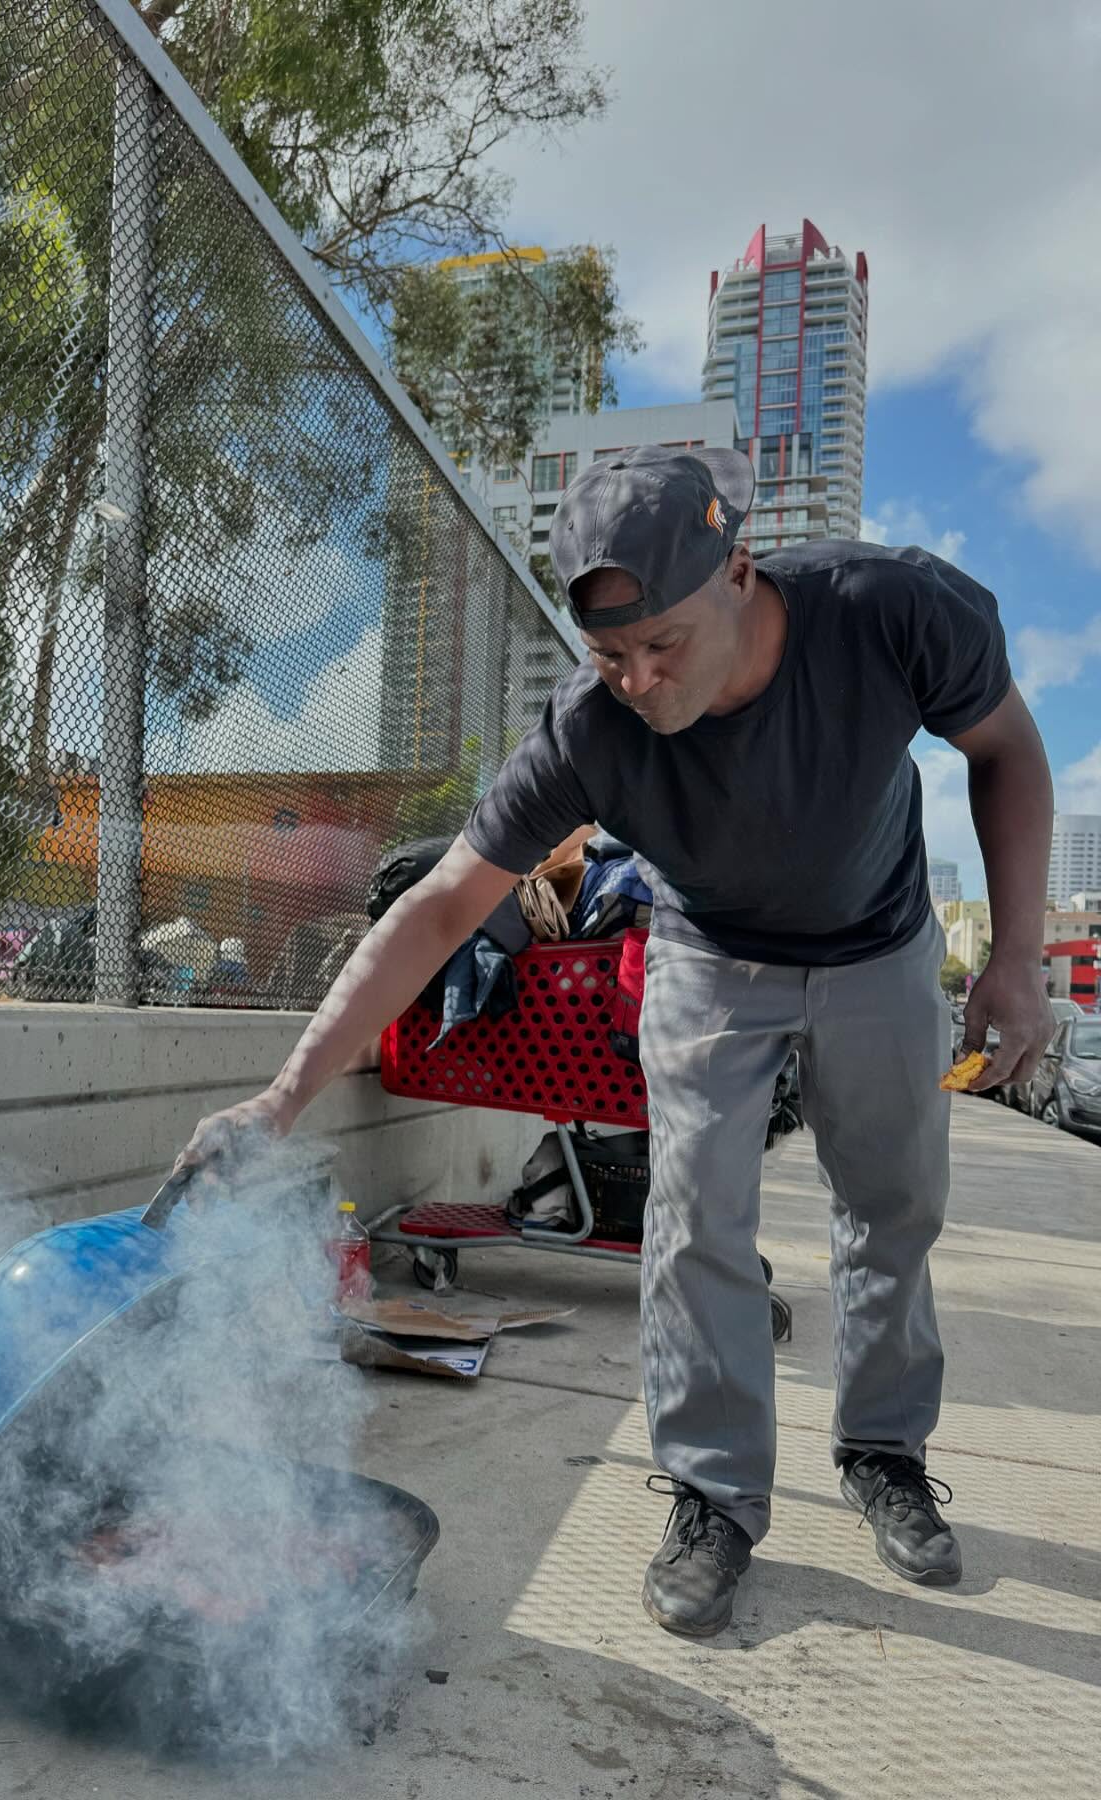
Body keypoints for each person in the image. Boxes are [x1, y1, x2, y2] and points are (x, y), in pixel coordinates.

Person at [178, 446, 1054, 1637]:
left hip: (880, 942)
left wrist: (1015, 957)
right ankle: (713, 1496)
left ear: (740, 570)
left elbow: (1006, 748)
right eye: (609, 656)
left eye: (664, 645)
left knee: (892, 1208)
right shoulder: (589, 731)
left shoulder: (891, 608)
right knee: (693, 1220)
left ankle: (884, 1454)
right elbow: (437, 909)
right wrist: (278, 1102)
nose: (639, 681)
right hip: (708, 954)